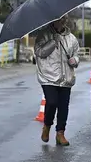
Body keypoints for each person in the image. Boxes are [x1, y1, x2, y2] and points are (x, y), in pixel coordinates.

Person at [33, 15, 80, 146]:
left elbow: (77, 54)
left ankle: (60, 133)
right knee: (52, 102)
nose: (61, 22)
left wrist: (74, 60)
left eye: (63, 19)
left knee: (63, 106)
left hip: (66, 77)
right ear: (53, 21)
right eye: (59, 20)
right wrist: (53, 42)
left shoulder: (71, 38)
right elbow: (39, 52)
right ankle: (47, 127)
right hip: (48, 77)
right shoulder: (43, 35)